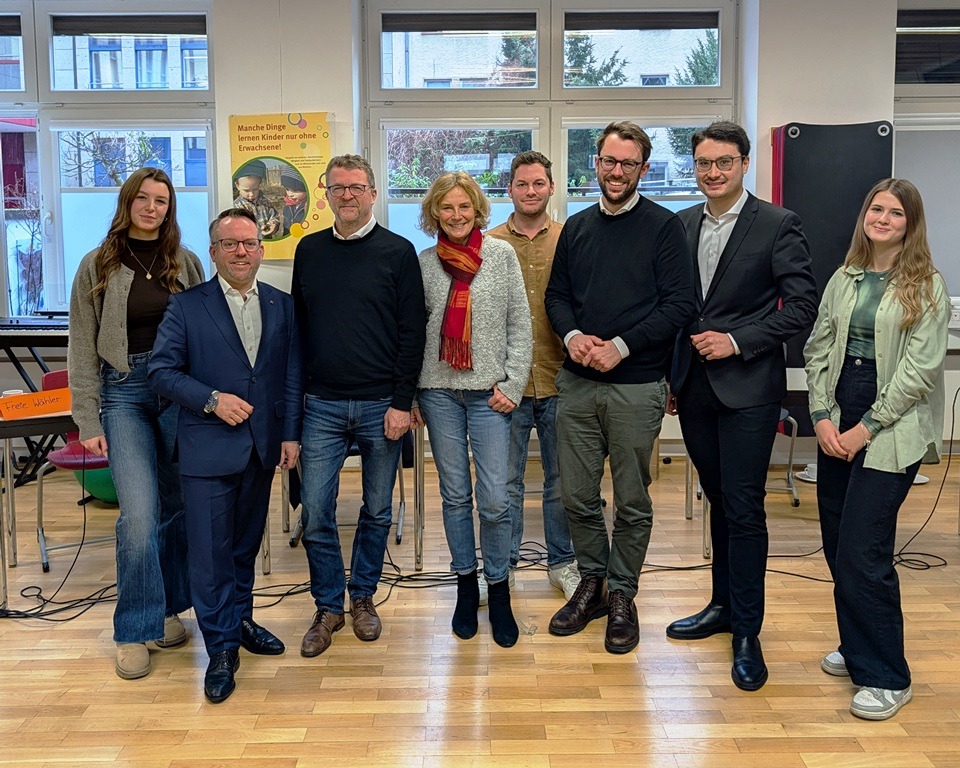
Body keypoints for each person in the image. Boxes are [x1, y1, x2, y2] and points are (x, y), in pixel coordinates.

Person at [666, 121, 819, 691]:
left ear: (744, 163)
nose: (712, 172)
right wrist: (670, 377)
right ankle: (722, 606)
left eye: (723, 162)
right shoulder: (680, 224)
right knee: (720, 504)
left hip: (750, 387)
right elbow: (677, 306)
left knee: (746, 506)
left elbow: (802, 307)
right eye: (703, 163)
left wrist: (737, 340)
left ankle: (748, 631)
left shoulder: (779, 224)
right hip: (695, 388)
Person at [544, 121, 695, 655]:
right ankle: (593, 583)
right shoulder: (578, 229)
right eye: (608, 161)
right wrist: (574, 334)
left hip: (636, 385)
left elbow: (681, 304)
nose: (615, 171)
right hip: (578, 385)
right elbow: (556, 296)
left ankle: (624, 594)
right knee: (577, 495)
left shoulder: (664, 228)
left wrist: (621, 346)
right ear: (595, 163)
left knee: (632, 499)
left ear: (642, 170)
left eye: (627, 164)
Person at [804, 178, 948, 720]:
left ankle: (888, 675)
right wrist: (820, 414)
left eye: (894, 212)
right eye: (875, 209)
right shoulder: (846, 277)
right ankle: (857, 645)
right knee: (838, 542)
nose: (882, 218)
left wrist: (867, 426)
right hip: (838, 410)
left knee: (865, 551)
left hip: (891, 425)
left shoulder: (925, 284)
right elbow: (819, 345)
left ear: (910, 223)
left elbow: (919, 372)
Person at [148, 208, 303, 703]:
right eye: (230, 243)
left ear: (261, 249)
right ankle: (219, 650)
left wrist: (290, 436)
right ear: (213, 250)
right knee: (210, 556)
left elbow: (291, 375)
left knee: (243, 546)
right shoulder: (187, 306)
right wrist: (212, 399)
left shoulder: (282, 304)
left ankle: (238, 622)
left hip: (262, 448)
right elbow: (162, 373)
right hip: (206, 448)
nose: (241, 251)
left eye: (250, 243)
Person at [68, 167, 205, 680]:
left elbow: (204, 330)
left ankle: (164, 611)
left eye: (162, 201)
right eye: (143, 199)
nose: (152, 208)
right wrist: (86, 416)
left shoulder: (184, 263)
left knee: (175, 507)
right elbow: (81, 344)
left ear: (170, 210)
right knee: (139, 516)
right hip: (123, 392)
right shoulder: (97, 265)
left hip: (177, 392)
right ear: (127, 203)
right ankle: (131, 628)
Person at [292, 154, 426, 659]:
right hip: (320, 404)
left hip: (380, 406)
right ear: (326, 193)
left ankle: (363, 597)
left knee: (376, 509)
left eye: (357, 187)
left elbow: (413, 334)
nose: (347, 195)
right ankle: (328, 605)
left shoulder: (398, 252)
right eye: (338, 187)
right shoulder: (309, 250)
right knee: (317, 511)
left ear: (373, 193)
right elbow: (301, 330)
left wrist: (401, 402)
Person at [412, 171, 532, 648]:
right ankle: (466, 584)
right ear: (434, 213)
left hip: (491, 395)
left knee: (497, 498)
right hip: (437, 392)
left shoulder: (501, 256)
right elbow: (411, 333)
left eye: (464, 207)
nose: (457, 215)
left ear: (477, 209)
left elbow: (521, 324)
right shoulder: (422, 264)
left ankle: (498, 587)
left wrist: (515, 383)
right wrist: (411, 393)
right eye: (447, 208)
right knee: (456, 495)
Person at [487, 151, 579, 602]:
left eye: (538, 184)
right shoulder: (486, 244)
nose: (530, 191)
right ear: (510, 189)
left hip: (563, 378)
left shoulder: (571, 238)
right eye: (522, 184)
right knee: (504, 482)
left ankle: (562, 563)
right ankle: (503, 568)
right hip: (506, 385)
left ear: (551, 187)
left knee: (563, 480)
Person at [233, 159, 281, 240]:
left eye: (255, 189)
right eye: (246, 190)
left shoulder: (265, 202)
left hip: (268, 242)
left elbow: (275, 216)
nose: (251, 194)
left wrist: (273, 224)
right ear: (237, 186)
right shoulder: (236, 207)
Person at [281, 167, 308, 235]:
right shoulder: (288, 205)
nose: (290, 194)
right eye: (287, 189)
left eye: (295, 190)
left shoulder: (308, 206)